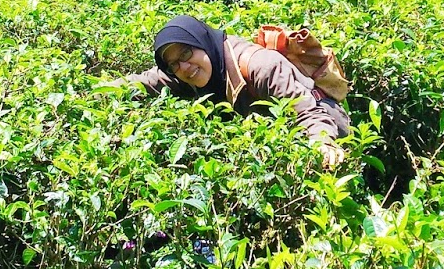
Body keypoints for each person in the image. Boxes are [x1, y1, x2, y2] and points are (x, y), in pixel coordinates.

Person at [126, 15, 351, 167]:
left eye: (185, 53)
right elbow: (146, 81)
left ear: (202, 42)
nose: (183, 67)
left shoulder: (261, 66)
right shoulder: (186, 71)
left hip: (325, 125)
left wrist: (322, 143)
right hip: (276, 139)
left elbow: (306, 113)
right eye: (173, 64)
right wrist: (94, 91)